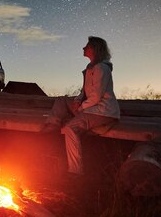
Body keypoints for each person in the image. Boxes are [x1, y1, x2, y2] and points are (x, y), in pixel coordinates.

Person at [41, 36, 120, 176]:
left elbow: (96, 96)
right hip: (90, 107)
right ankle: (52, 127)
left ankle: (75, 171)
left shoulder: (102, 68)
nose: (84, 48)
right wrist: (78, 100)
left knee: (70, 129)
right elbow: (84, 92)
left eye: (87, 46)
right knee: (61, 100)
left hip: (102, 111)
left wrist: (81, 108)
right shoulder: (90, 68)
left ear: (95, 49)